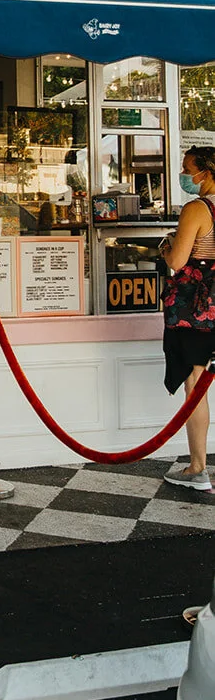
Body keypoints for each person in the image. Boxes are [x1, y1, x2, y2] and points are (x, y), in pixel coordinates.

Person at [160, 147, 215, 494]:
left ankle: (198, 468)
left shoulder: (198, 208)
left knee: (196, 384)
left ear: (205, 173)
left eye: (186, 169)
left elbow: (178, 261)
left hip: (198, 309)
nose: (184, 175)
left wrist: (167, 247)